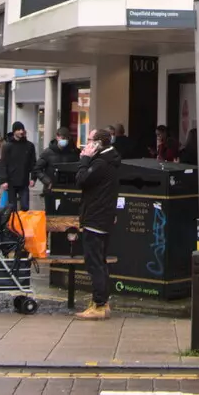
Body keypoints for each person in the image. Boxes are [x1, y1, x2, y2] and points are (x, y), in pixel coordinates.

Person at [74, 127, 122, 320]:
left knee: (94, 262)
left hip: (96, 217)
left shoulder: (101, 163)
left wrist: (84, 160)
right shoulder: (109, 160)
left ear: (98, 143)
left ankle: (100, 304)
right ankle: (101, 302)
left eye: (90, 139)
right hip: (103, 216)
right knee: (100, 261)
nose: (87, 143)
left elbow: (81, 180)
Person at [0, 121, 38, 211]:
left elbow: (33, 163)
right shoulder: (7, 146)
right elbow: (3, 164)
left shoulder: (29, 146)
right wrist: (4, 180)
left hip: (24, 181)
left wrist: (33, 178)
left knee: (25, 207)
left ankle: (23, 224)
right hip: (11, 182)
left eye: (22, 129)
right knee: (12, 208)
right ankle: (13, 224)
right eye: (19, 130)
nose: (21, 131)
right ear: (14, 131)